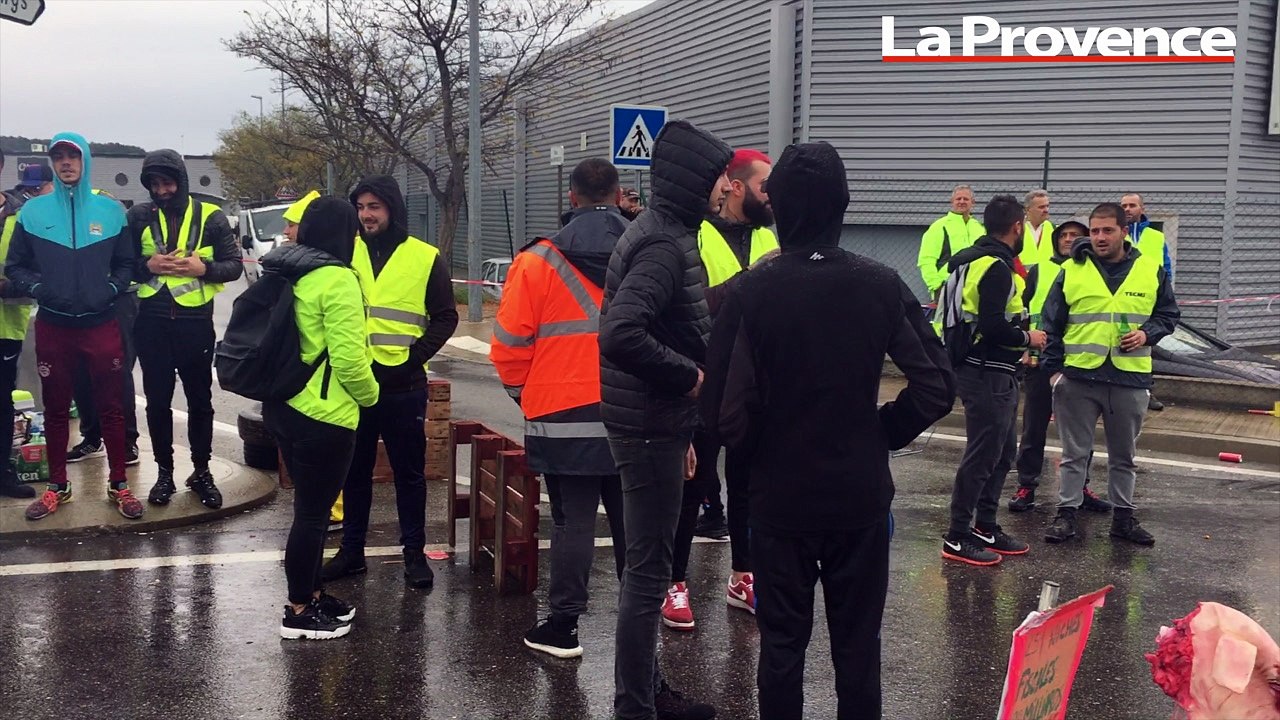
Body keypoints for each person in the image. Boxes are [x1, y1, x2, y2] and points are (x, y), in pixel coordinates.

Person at [702, 141, 954, 720]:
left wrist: (762, 447)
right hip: (857, 494)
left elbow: (721, 410)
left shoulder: (750, 291)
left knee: (783, 648)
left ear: (780, 207)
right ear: (842, 207)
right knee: (857, 649)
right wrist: (881, 432)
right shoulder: (881, 283)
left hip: (779, 497)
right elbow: (936, 386)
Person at [599, 119, 730, 720]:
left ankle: (648, 692)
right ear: (693, 182)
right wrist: (690, 379)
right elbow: (622, 333)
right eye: (719, 179)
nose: (726, 189)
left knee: (645, 571)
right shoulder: (661, 244)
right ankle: (636, 707)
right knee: (648, 575)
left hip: (658, 423)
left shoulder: (667, 231)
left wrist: (682, 424)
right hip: (648, 423)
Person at [490, 158, 628, 659]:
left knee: (572, 522)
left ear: (570, 198)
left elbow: (508, 346)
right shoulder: (648, 251)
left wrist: (526, 396)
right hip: (632, 413)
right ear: (618, 194)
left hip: (561, 416)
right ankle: (640, 624)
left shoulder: (537, 261)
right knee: (632, 522)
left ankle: (564, 625)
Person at [321, 176, 459, 589]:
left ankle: (414, 555)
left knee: (409, 474)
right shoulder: (344, 251)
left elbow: (445, 316)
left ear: (392, 208)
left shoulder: (424, 256)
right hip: (354, 381)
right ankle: (352, 552)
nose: (366, 214)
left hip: (403, 385)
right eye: (361, 206)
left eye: (375, 206)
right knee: (355, 472)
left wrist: (415, 357)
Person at [665, 148, 778, 633]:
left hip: (757, 381)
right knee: (692, 485)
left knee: (749, 485)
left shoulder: (769, 237)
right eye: (763, 185)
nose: (771, 195)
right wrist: (752, 279)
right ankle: (675, 583)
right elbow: (695, 310)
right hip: (708, 379)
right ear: (735, 186)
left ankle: (743, 577)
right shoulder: (696, 237)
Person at [261, 197, 380, 640]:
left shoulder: (289, 269)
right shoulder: (338, 280)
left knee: (306, 511)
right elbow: (349, 362)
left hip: (283, 406)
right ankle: (297, 611)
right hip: (323, 416)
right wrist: (371, 398)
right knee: (312, 516)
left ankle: (311, 595)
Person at [5, 133, 140, 521]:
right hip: (54, 325)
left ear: (86, 162)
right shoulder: (32, 213)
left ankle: (119, 484)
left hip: (101, 323)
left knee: (112, 407)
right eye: (59, 156)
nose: (66, 162)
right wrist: (39, 289)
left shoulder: (111, 212)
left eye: (73, 156)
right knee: (57, 408)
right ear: (52, 162)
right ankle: (57, 486)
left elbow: (128, 265)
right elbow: (16, 267)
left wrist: (111, 289)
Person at [1042, 202, 1180, 546]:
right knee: (1075, 454)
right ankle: (1066, 515)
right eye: (1095, 231)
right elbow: (1051, 323)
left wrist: (1147, 334)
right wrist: (1055, 372)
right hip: (1078, 378)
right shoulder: (1072, 270)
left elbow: (1168, 314)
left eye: (1108, 230)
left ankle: (1123, 519)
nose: (1100, 237)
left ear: (1123, 231)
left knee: (1124, 456)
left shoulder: (1150, 269)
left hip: (1129, 378)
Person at [128, 150, 243, 507]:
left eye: (168, 182)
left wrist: (203, 269)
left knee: (200, 402)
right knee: (157, 403)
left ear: (181, 181)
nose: (161, 190)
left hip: (195, 323)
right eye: (155, 184)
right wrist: (147, 264)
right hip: (151, 320)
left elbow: (234, 266)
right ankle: (164, 474)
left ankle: (202, 472)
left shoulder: (211, 216)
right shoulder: (137, 216)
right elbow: (123, 267)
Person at [941, 194, 1044, 567]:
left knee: (1002, 454)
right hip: (985, 371)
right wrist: (1027, 339)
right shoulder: (996, 267)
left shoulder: (973, 259)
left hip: (988, 370)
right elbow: (991, 324)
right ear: (1018, 227)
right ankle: (957, 535)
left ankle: (985, 526)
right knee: (984, 455)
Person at [1008, 219, 1110, 514]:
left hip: (1079, 362)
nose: (1068, 240)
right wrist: (1026, 348)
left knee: (1081, 433)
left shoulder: (1096, 272)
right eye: (1063, 235)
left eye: (1075, 235)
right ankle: (1026, 485)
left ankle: (1080, 486)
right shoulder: (1040, 271)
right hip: (1041, 360)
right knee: (1033, 428)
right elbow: (1023, 310)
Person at [0, 162, 43, 499]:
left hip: (5, 325)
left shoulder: (21, 217)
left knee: (2, 403)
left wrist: (5, 288)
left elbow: (35, 274)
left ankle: (3, 474)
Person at [1121, 192, 1172, 412]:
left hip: (1148, 299)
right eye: (1123, 205)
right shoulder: (1117, 235)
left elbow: (1166, 268)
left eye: (1132, 205)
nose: (1127, 209)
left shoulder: (1155, 237)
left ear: (1142, 208)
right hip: (1121, 298)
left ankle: (1146, 391)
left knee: (1146, 347)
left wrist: (1164, 296)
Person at [917, 184, 985, 298]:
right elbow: (926, 260)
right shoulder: (939, 226)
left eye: (966, 199)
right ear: (952, 201)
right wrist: (936, 286)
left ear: (973, 202)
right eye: (958, 199)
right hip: (947, 287)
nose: (962, 201)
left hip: (974, 289)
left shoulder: (979, 228)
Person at [1016, 189, 1053, 271]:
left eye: (1047, 206)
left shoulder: (1054, 229)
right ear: (1027, 209)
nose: (1046, 210)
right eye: (1041, 207)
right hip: (1023, 280)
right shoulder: (1017, 229)